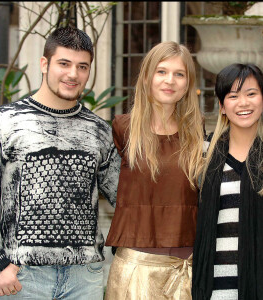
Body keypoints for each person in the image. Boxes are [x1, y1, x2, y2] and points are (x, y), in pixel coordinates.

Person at [0, 26, 121, 300]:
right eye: (64, 63)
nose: (73, 74)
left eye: (82, 66)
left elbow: (126, 197)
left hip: (84, 279)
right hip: (22, 278)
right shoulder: (1, 122)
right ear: (44, 64)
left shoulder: (99, 130)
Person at [104, 41, 204, 299]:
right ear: (147, 76)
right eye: (161, 71)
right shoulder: (123, 128)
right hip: (136, 271)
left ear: (188, 83)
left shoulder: (196, 132)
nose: (169, 80)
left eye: (179, 74)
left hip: (187, 271)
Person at [192, 63, 263, 299]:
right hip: (215, 290)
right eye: (233, 96)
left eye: (251, 93)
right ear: (222, 106)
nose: (243, 103)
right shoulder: (204, 154)